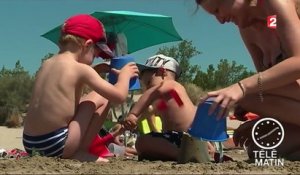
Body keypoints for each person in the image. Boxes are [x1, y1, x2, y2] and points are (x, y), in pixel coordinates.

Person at [22, 14, 139, 163]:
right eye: (96, 53)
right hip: (57, 146)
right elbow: (118, 96)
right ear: (87, 45)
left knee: (86, 100)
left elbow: (67, 91)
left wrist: (95, 71)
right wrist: (124, 76)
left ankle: (76, 149)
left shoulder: (47, 64)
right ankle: (81, 152)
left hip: (31, 144)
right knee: (101, 97)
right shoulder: (81, 69)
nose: (96, 57)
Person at [195, 0, 300, 159]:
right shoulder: (247, 30)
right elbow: (264, 83)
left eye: (217, 10)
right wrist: (262, 119)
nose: (220, 20)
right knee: (258, 148)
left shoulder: (276, 4)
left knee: (247, 95)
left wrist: (241, 88)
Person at [123, 54, 214, 161]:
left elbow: (153, 93)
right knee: (145, 144)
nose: (147, 88)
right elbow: (160, 109)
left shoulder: (171, 85)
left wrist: (133, 114)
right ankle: (191, 153)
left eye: (149, 83)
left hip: (183, 137)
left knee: (142, 142)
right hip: (188, 138)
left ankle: (183, 154)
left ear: (162, 72)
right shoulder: (172, 98)